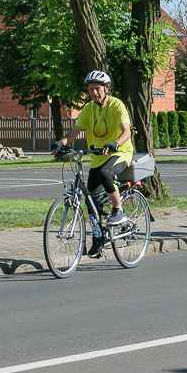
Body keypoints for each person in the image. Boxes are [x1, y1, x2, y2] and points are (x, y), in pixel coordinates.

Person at [51, 70, 134, 258]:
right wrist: (62, 143)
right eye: (90, 89)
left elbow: (127, 132)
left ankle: (118, 210)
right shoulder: (88, 109)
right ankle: (98, 242)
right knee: (92, 203)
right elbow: (73, 133)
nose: (94, 93)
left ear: (107, 88)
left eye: (98, 89)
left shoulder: (117, 105)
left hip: (120, 153)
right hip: (97, 158)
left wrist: (115, 143)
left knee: (106, 173)